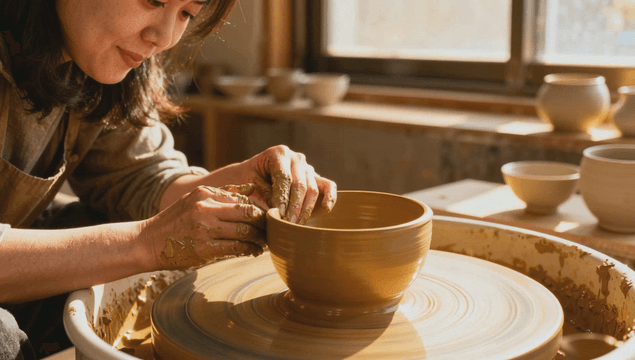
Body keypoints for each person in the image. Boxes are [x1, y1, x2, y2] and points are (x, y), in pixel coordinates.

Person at [0, 0, 337, 358]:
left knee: (116, 233)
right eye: (153, 1)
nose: (163, 37)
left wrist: (239, 182)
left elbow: (144, 177)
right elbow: (147, 237)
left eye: (186, 13)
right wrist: (148, 241)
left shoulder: (90, 64)